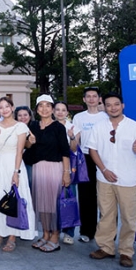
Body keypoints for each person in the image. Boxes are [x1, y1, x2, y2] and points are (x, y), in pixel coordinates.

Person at [87, 93, 136, 268]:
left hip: (128, 179)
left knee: (129, 218)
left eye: (116, 104)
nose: (112, 108)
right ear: (104, 107)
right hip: (105, 178)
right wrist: (104, 170)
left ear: (123, 105)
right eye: (108, 105)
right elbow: (93, 150)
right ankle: (106, 247)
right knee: (106, 215)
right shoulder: (99, 127)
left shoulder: (135, 127)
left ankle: (126, 252)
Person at [0, 97, 36, 251]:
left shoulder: (20, 126)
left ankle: (12, 236)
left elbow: (20, 150)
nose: (4, 109)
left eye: (7, 106)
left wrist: (16, 172)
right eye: (1, 107)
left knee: (15, 199)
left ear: (12, 107)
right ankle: (0, 233)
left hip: (14, 165)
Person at [27, 95, 71, 253]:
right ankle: (45, 233)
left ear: (52, 109)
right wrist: (29, 142)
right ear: (37, 109)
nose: (44, 109)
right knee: (42, 204)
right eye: (41, 106)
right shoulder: (33, 125)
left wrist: (66, 173)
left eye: (47, 105)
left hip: (54, 168)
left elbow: (65, 151)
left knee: (53, 204)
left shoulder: (58, 127)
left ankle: (55, 236)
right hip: (39, 168)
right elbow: (28, 147)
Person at [72, 86, 109, 243]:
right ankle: (87, 231)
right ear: (84, 99)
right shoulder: (79, 117)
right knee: (86, 196)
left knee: (106, 196)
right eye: (89, 96)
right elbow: (76, 140)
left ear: (99, 99)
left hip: (105, 158)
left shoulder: (106, 116)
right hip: (85, 158)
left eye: (95, 96)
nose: (92, 99)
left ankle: (106, 233)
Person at [54, 100, 80, 244]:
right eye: (57, 109)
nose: (60, 112)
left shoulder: (73, 127)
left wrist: (72, 137)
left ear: (67, 113)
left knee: (69, 199)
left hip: (68, 167)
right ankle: (55, 230)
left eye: (63, 110)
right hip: (52, 166)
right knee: (54, 201)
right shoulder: (49, 125)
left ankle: (69, 232)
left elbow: (74, 149)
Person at [15, 106, 36, 190]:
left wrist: (30, 142)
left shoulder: (35, 127)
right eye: (20, 115)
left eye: (25, 115)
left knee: (30, 185)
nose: (23, 118)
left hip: (31, 163)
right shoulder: (14, 128)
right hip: (16, 162)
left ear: (30, 116)